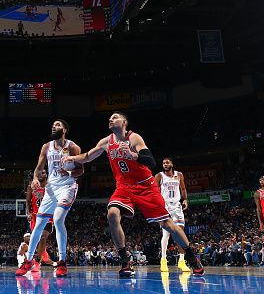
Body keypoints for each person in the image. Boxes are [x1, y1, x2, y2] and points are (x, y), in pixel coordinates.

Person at [62, 111, 205, 277]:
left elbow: (151, 161)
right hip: (124, 187)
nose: (111, 119)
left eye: (115, 117)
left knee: (168, 224)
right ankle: (125, 261)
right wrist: (72, 158)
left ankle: (192, 257)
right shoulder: (106, 142)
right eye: (110, 118)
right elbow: (87, 157)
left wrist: (134, 155)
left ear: (124, 122)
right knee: (112, 214)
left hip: (145, 186)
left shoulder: (134, 138)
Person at [16, 120, 83, 277]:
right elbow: (38, 168)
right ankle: (29, 261)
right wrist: (34, 178)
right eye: (53, 125)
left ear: (65, 129)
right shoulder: (46, 147)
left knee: (59, 220)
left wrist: (68, 173)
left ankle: (62, 262)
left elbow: (81, 170)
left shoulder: (73, 147)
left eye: (58, 125)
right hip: (51, 189)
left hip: (67, 187)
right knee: (38, 225)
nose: (54, 126)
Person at [155, 158, 191, 272]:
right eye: (163, 163)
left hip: (177, 206)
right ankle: (163, 260)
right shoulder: (159, 176)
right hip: (165, 206)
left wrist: (185, 199)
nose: (165, 164)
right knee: (166, 234)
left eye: (167, 162)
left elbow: (183, 188)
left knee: (180, 233)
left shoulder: (179, 175)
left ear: (172, 164)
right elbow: (155, 191)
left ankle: (181, 261)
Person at [25, 169, 56, 268]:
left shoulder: (51, 186)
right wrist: (28, 213)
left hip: (48, 215)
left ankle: (37, 261)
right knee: (37, 239)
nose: (41, 175)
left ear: (46, 174)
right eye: (39, 173)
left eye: (43, 173)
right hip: (35, 216)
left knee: (43, 236)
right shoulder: (32, 186)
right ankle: (45, 259)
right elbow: (28, 201)